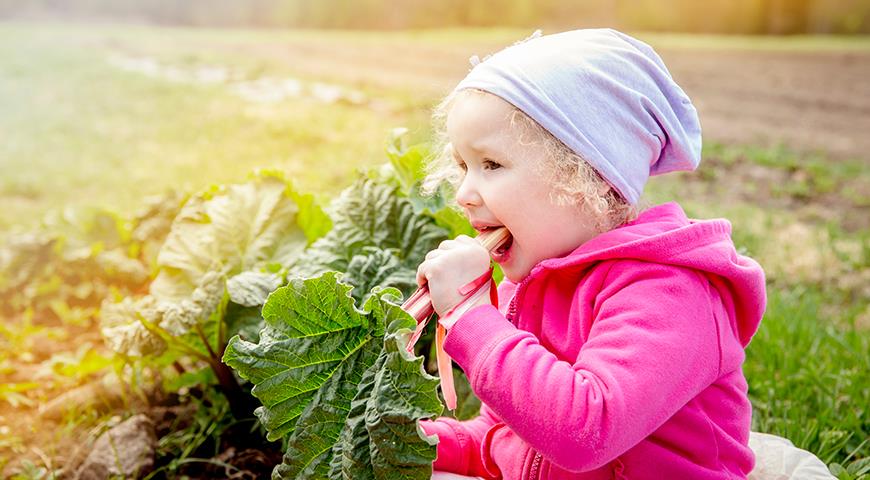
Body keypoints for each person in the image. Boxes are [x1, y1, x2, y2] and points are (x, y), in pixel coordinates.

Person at [413, 28, 768, 479]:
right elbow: (501, 441)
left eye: (492, 165)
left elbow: (584, 430)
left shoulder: (670, 292)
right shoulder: (533, 284)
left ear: (587, 178)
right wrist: (413, 439)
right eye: (463, 166)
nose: (463, 193)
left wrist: (470, 317)